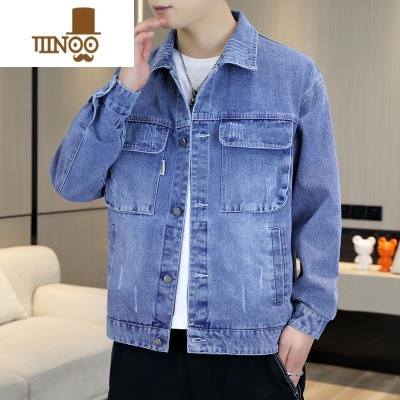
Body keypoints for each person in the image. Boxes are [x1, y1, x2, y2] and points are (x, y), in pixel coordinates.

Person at [49, 1, 342, 399]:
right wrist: (122, 92)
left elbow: (319, 210)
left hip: (253, 344)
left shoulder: (294, 76)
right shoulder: (133, 77)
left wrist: (308, 321)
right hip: (144, 345)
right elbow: (72, 184)